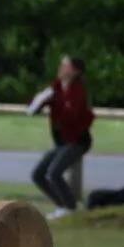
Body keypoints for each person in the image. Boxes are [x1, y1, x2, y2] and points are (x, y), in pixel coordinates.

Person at [27, 54, 93, 218]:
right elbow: (32, 109)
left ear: (76, 72)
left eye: (66, 66)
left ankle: (70, 207)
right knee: (38, 174)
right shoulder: (56, 87)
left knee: (54, 173)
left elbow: (74, 114)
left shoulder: (78, 90)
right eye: (61, 65)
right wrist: (41, 100)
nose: (61, 69)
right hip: (61, 142)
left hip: (77, 141)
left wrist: (55, 101)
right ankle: (62, 206)